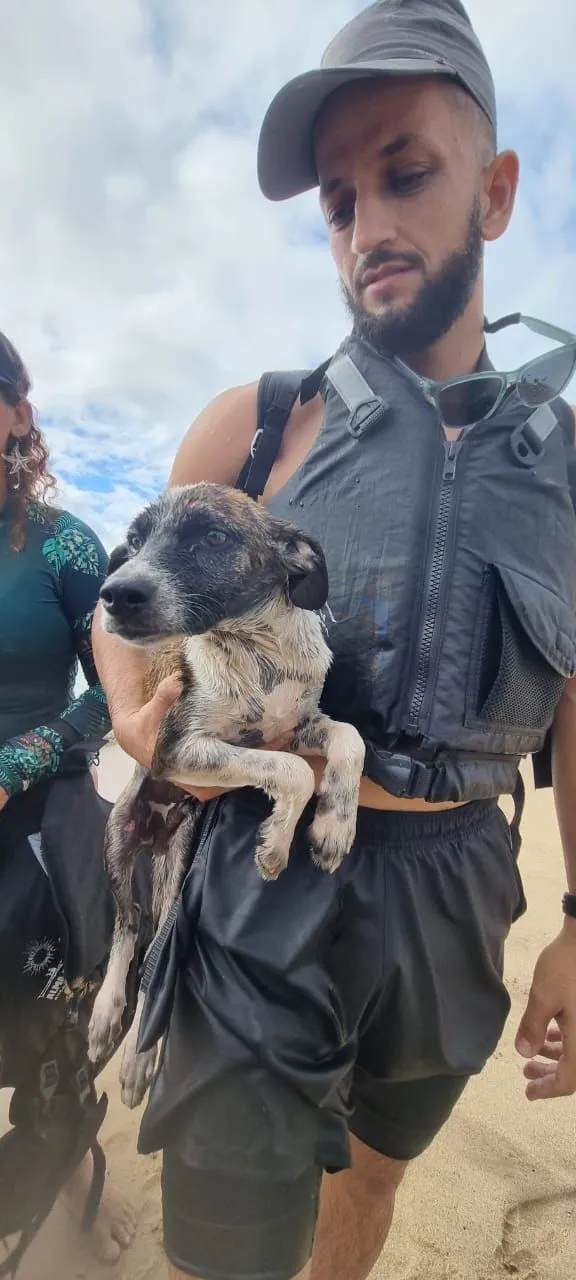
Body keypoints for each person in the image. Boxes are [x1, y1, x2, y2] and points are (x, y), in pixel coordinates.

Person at [92, 3, 576, 1279]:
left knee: (370, 1182)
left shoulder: (568, 470)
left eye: (406, 173)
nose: (369, 229)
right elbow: (121, 607)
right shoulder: (251, 435)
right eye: (338, 200)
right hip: (264, 879)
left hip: (462, 895)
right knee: (230, 1244)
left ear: (499, 190)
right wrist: (135, 709)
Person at [0, 330, 137, 1268]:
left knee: (47, 1038)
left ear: (18, 413)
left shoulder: (66, 544)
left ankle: (47, 1173)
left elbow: (114, 694)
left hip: (41, 819)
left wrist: (18, 761)